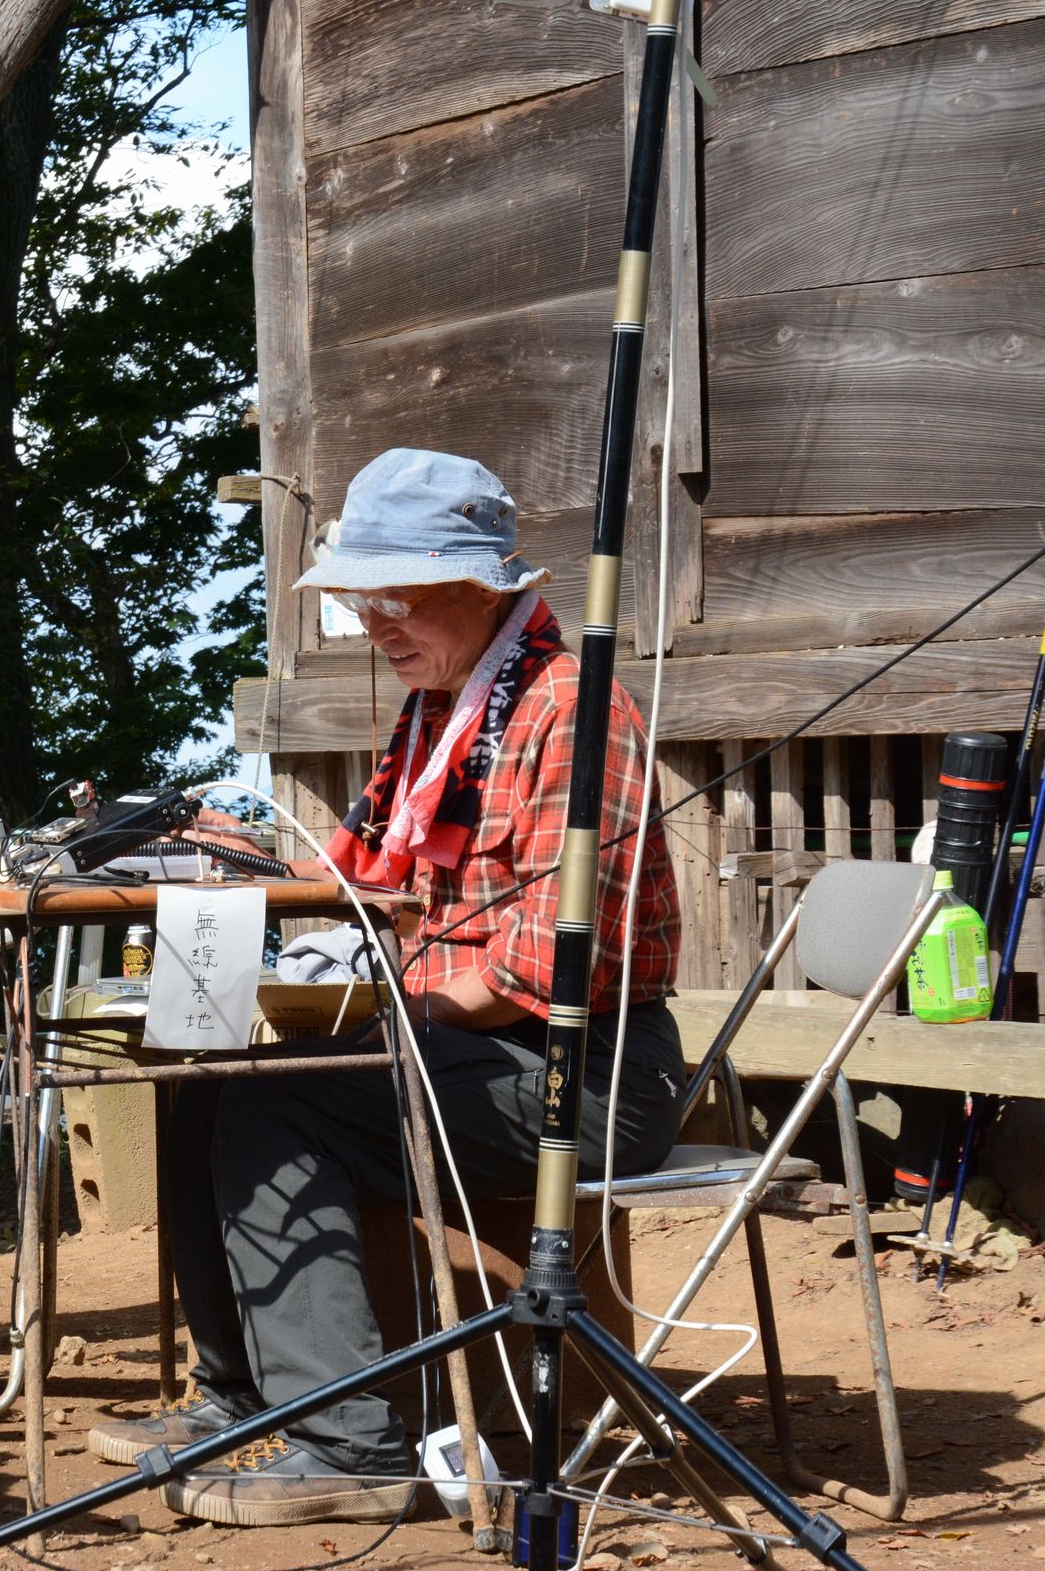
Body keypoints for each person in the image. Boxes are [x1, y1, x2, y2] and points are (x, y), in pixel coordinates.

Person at [89, 449, 689, 1525]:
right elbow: (362, 877)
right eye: (363, 597)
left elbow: (550, 966)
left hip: (587, 1077)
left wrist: (385, 1022)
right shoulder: (440, 713)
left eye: (395, 594)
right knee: (207, 1072)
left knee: (288, 1094)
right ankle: (238, 1399)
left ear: (483, 586)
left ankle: (349, 1446)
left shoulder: (570, 713)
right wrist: (248, 859)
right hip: (475, 1047)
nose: (375, 621)